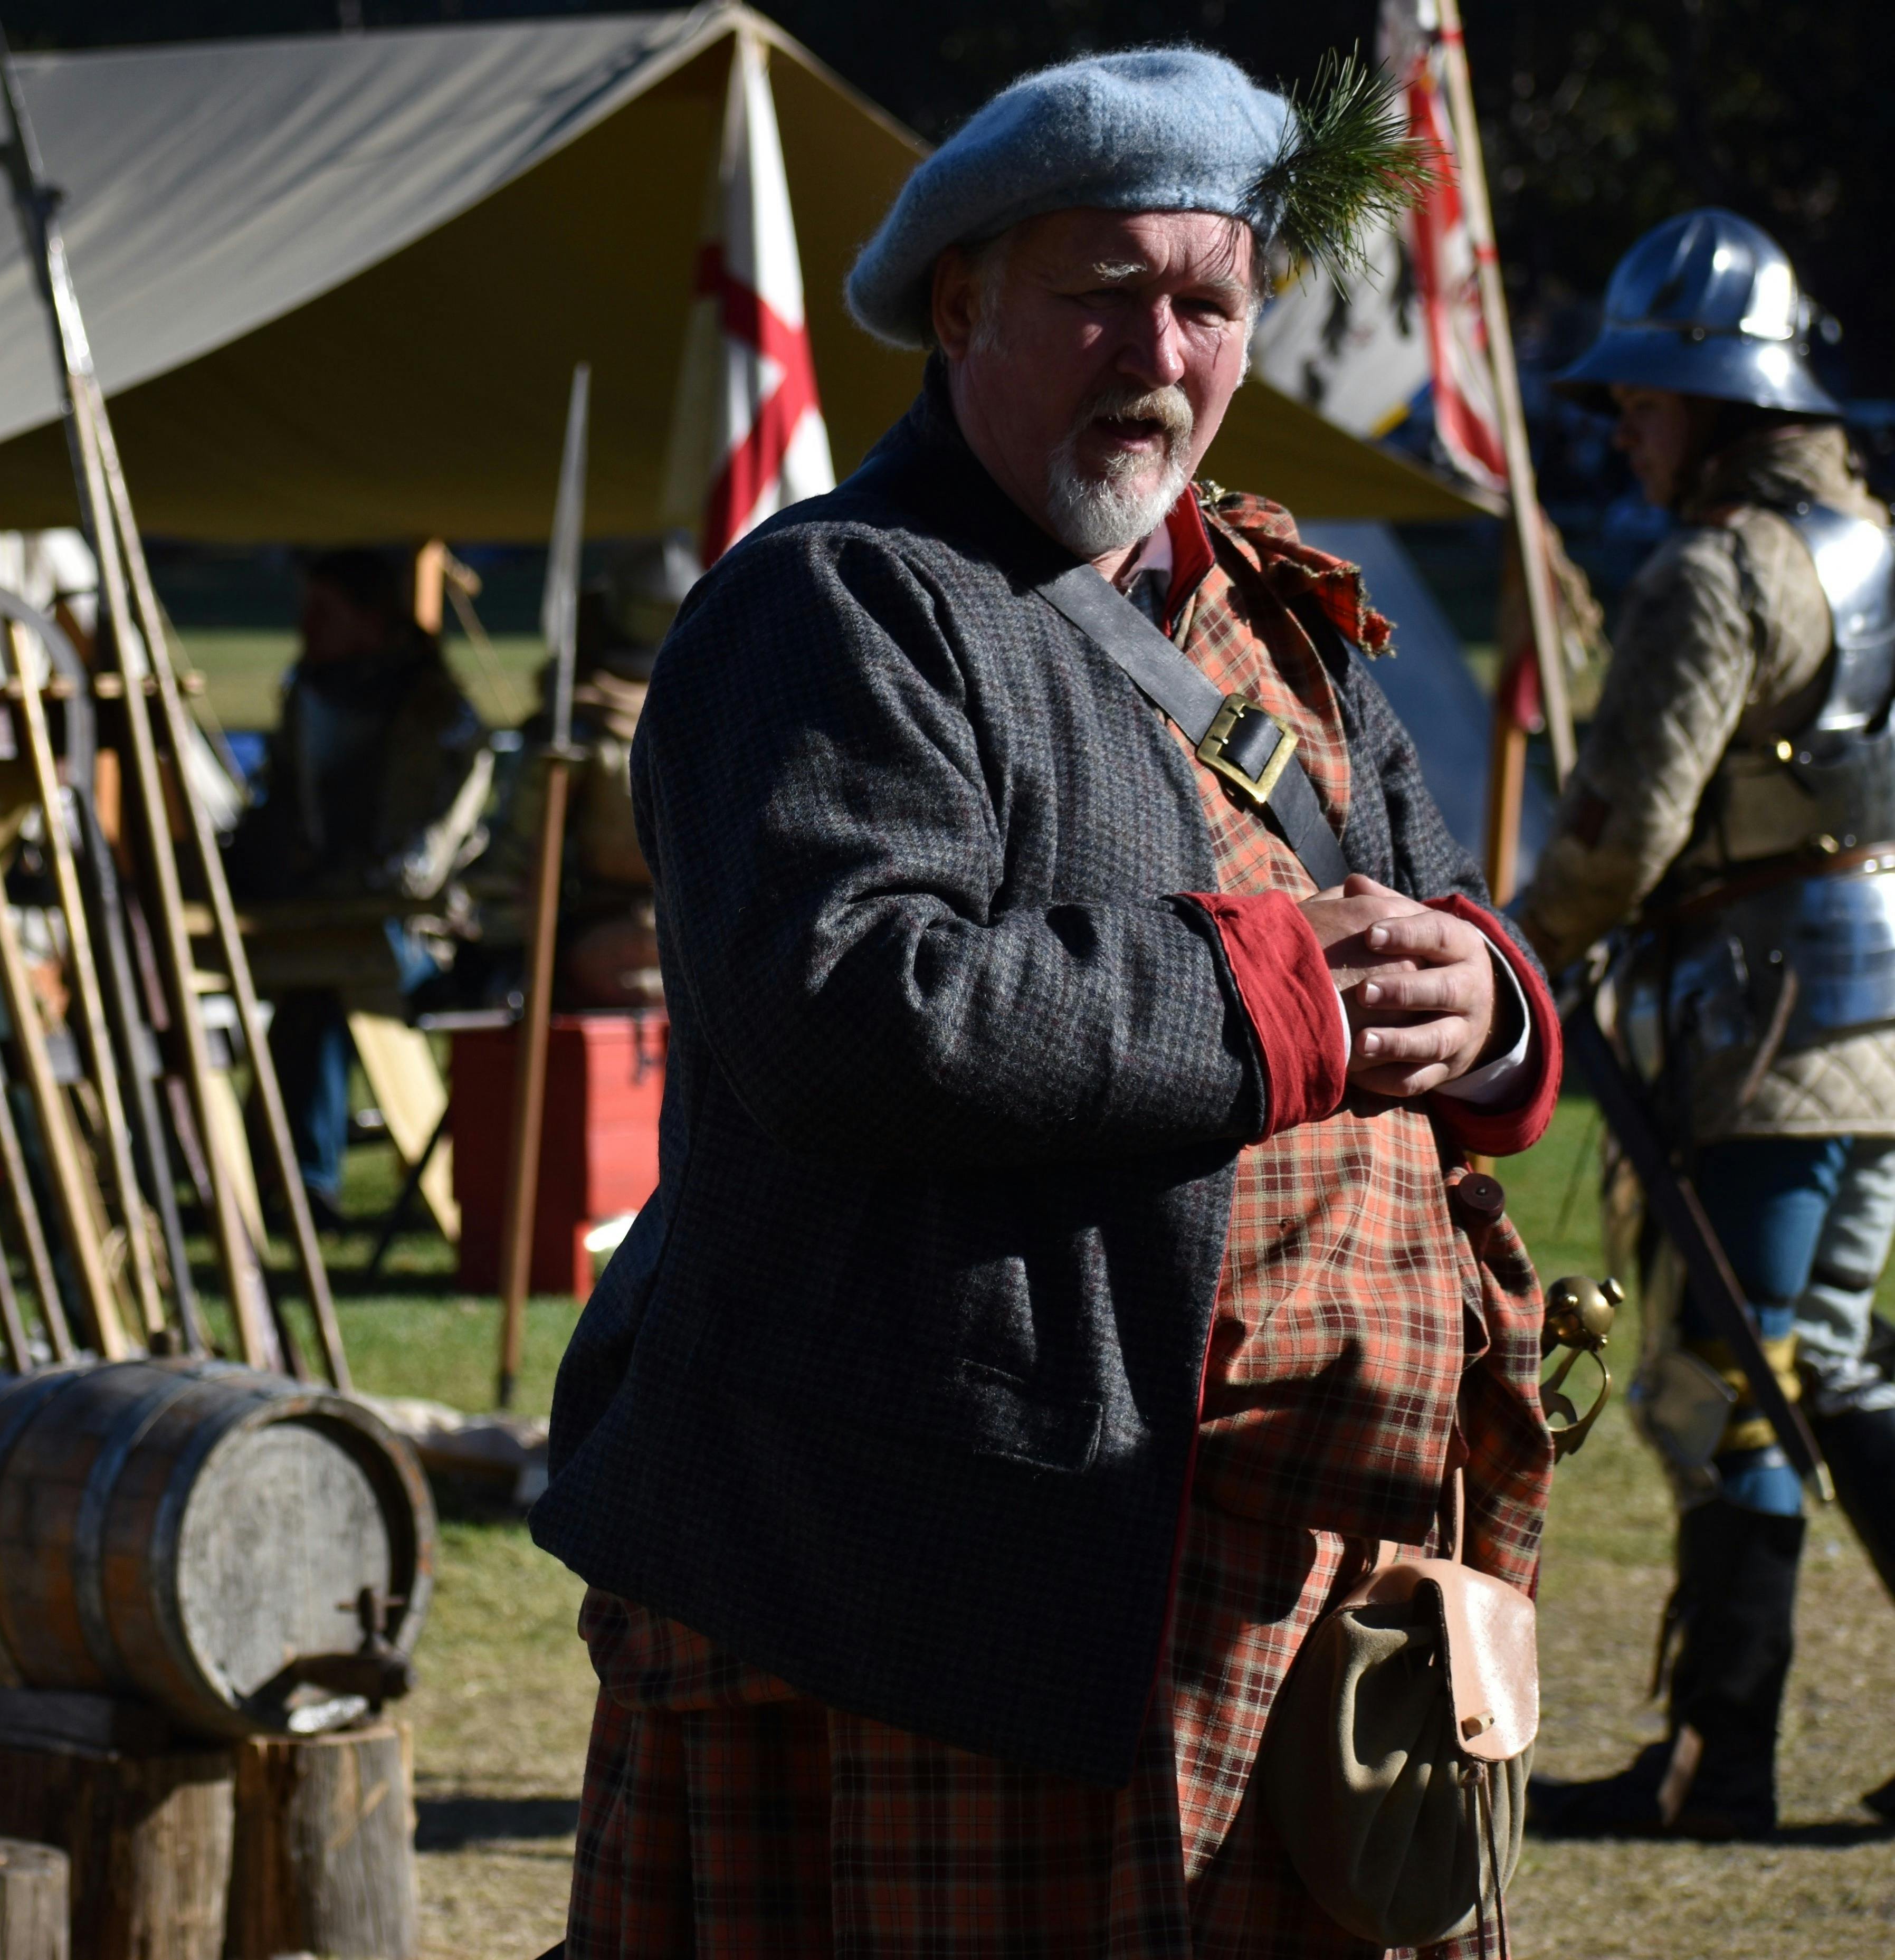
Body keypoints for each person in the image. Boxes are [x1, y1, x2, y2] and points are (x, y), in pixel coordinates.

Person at [525, 49, 1564, 1956]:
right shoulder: (839, 607)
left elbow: (1438, 917)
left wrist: (1482, 1005)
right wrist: (1277, 994)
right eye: (1101, 288)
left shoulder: (1277, 610)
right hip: (965, 1571)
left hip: (1300, 1557)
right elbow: (845, 1004)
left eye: (1206, 301)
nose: (1154, 349)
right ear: (961, 302)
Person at [1513, 210, 1895, 1840]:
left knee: (1725, 1387)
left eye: (1642, 400)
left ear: (1716, 407)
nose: (1619, 427)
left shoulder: (1716, 569)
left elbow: (1619, 830)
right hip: (1859, 1011)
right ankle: (1710, 1752)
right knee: (1832, 1376)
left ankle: (1714, 1763)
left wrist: (1515, 958)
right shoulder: (1870, 540)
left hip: (1758, 1024)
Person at [237, 546, 492, 1222]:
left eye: (326, 611)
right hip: (325, 918)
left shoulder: (435, 713)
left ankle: (304, 1184)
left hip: (423, 936)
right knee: (304, 989)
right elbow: (284, 810)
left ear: (371, 620)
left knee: (320, 992)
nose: (309, 627)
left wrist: (353, 890)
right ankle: (268, 1175)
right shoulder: (312, 695)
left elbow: (422, 860)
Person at [489, 534, 696, 1008]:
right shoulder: (708, 722)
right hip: (670, 946)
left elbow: (518, 851)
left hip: (618, 948)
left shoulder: (580, 730)